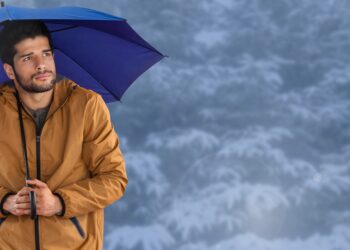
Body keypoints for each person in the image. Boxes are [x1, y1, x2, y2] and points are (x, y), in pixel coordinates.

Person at [0, 20, 128, 249]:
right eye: (28, 58)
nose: (41, 65)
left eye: (46, 54)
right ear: (9, 69)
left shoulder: (87, 105)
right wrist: (5, 201)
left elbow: (113, 179)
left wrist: (60, 202)